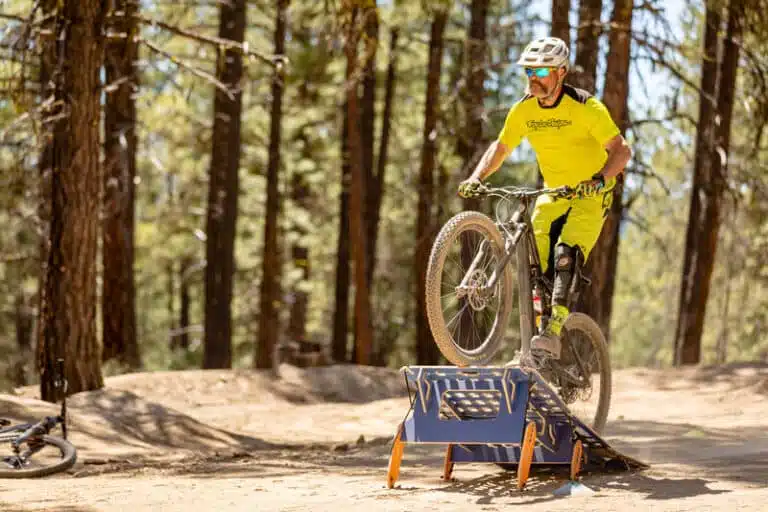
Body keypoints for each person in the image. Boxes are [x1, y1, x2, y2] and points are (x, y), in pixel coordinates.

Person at [457, 36, 632, 362]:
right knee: (533, 263)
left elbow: (622, 151)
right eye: (529, 71)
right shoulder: (523, 110)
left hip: (590, 195)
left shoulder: (585, 107)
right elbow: (501, 148)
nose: (532, 78)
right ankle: (534, 344)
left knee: (566, 254)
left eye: (540, 71)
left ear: (561, 72)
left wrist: (599, 179)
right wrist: (476, 177)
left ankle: (554, 330)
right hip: (553, 193)